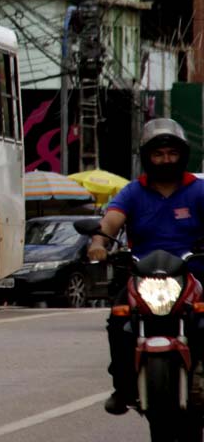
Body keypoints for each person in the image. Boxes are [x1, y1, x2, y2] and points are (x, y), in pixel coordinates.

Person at [88, 118, 204, 415]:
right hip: (144, 276)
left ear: (182, 155)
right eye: (158, 154)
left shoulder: (198, 190)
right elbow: (111, 220)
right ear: (147, 157)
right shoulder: (133, 192)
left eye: (171, 154)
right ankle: (123, 386)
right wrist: (100, 244)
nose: (165, 160)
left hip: (195, 273)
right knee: (118, 320)